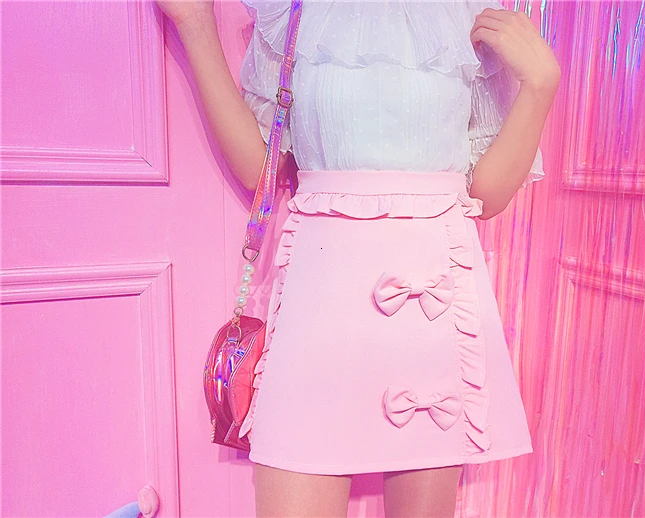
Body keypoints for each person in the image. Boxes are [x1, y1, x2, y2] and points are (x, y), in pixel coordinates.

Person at [156, 0, 560, 516]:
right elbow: (264, 170)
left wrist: (540, 86)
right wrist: (194, 24)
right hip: (321, 304)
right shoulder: (296, 10)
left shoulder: (464, 12)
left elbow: (486, 193)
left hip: (429, 308)